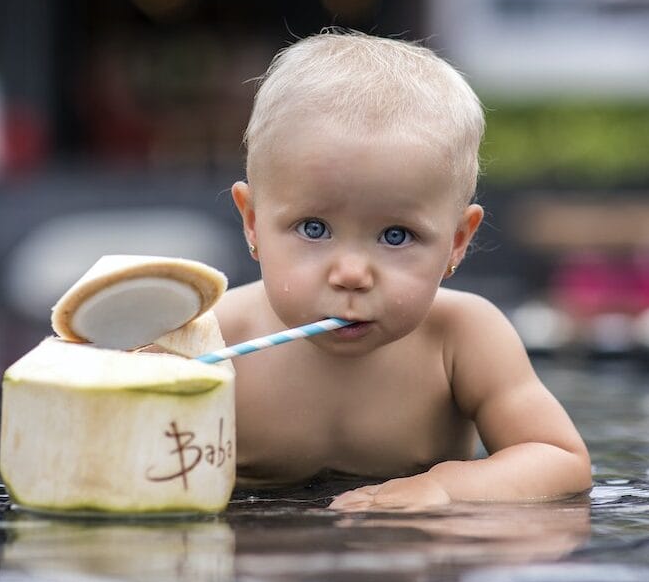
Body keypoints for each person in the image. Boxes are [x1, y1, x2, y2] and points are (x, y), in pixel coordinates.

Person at [213, 30, 590, 511]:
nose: (351, 273)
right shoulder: (216, 337)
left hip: (411, 564)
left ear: (457, 241)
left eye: (396, 235)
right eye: (313, 228)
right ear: (252, 222)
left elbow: (559, 458)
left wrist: (445, 487)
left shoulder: (462, 336)